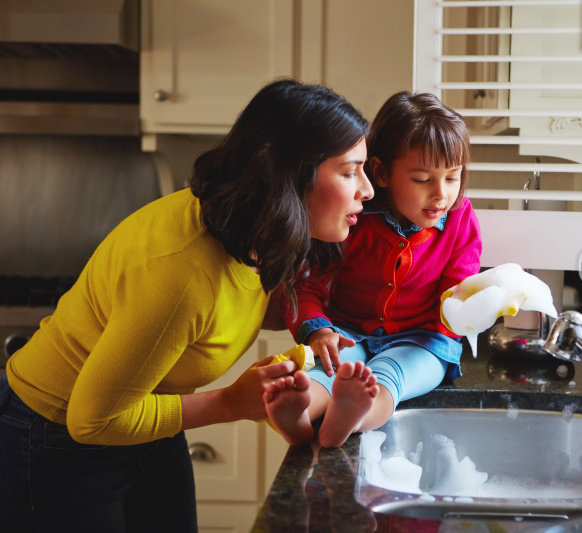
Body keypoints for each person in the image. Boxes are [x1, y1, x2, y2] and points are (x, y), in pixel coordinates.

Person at [0, 78, 374, 533]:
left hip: (149, 419)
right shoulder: (183, 274)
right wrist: (232, 402)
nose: (368, 189)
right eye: (350, 170)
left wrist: (312, 327)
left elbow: (245, 303)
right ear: (292, 174)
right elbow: (93, 421)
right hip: (56, 442)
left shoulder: (252, 227)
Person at [266, 91, 482, 448]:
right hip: (347, 329)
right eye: (422, 179)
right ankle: (299, 412)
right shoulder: (351, 218)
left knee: (389, 379)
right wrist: (318, 332)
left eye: (452, 177)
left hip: (422, 338)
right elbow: (306, 286)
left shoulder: (460, 218)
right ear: (381, 173)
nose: (441, 195)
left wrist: (471, 306)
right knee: (327, 369)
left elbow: (458, 287)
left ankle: (353, 416)